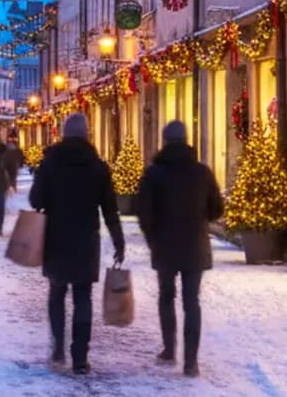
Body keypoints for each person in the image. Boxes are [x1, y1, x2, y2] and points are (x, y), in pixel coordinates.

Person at [28, 113, 125, 376]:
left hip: (56, 238)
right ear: (86, 134)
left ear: (64, 134)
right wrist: (118, 240)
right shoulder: (97, 167)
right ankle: (80, 358)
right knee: (83, 297)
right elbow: (110, 209)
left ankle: (58, 347)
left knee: (57, 293)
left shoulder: (50, 163)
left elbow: (36, 200)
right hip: (85, 239)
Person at [133, 120, 222, 377]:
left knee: (166, 295)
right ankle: (191, 362)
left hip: (164, 244)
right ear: (186, 140)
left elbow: (143, 211)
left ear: (165, 141)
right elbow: (217, 209)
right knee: (191, 301)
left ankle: (169, 349)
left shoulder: (154, 174)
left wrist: (152, 237)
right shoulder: (202, 172)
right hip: (195, 244)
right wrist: (200, 220)